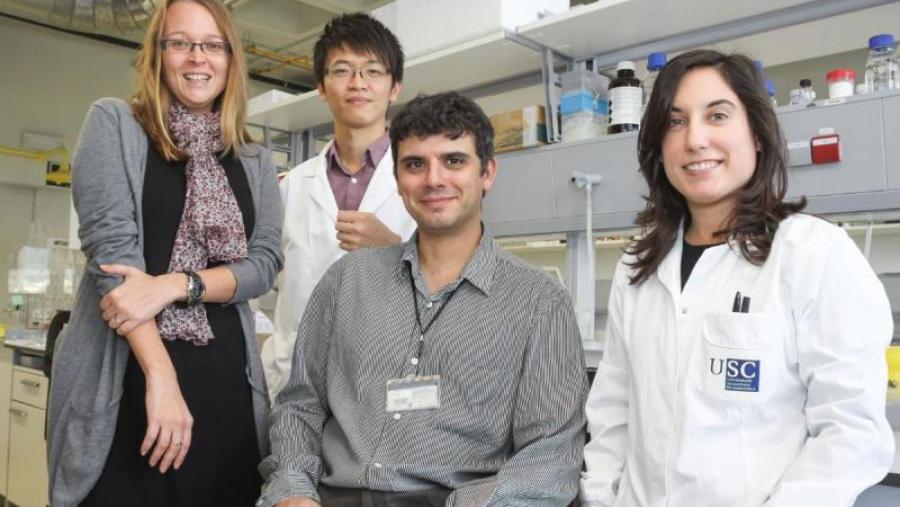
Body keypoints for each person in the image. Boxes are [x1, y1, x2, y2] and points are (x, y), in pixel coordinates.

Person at [580, 49, 895, 507]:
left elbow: (850, 431)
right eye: (675, 121)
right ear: (658, 145)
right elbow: (613, 412)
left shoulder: (812, 254)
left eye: (718, 115)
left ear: (758, 135)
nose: (695, 139)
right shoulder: (638, 266)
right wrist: (601, 499)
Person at [258, 92, 588, 507]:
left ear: (487, 173)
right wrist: (293, 490)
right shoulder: (348, 280)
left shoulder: (538, 301)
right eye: (415, 164)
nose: (434, 179)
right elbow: (299, 405)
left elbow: (551, 455)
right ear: (397, 180)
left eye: (454, 161)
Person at [47, 1, 283, 505]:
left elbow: (264, 264)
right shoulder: (114, 124)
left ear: (230, 58)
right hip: (129, 385)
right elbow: (112, 260)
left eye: (212, 45)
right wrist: (162, 378)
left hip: (227, 388)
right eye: (180, 43)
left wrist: (178, 284)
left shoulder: (254, 157)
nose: (197, 58)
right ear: (158, 55)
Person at [264, 13, 417, 400]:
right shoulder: (289, 188)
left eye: (373, 70)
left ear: (394, 87)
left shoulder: (423, 183)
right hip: (297, 386)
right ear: (321, 86)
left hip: (386, 384)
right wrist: (274, 347)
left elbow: (456, 288)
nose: (358, 83)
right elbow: (257, 288)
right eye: (342, 70)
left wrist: (396, 251)